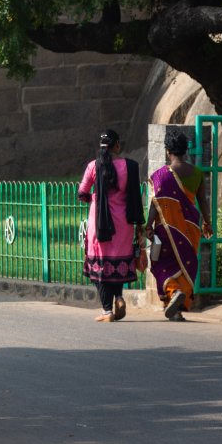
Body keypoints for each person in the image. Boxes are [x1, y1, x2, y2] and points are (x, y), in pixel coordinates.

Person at [78, 129, 146, 322]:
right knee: (117, 263)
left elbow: (82, 193)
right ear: (117, 145)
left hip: (100, 225)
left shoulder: (93, 166)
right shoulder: (130, 166)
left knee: (99, 266)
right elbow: (135, 196)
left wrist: (94, 197)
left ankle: (107, 311)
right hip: (123, 224)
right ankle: (119, 297)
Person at [144, 130, 212, 321]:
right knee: (185, 264)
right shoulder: (197, 173)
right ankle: (177, 310)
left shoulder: (161, 175)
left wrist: (148, 225)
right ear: (185, 151)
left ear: (167, 151)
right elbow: (203, 202)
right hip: (190, 228)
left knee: (161, 266)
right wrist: (207, 222)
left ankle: (173, 293)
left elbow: (156, 204)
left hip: (167, 229)